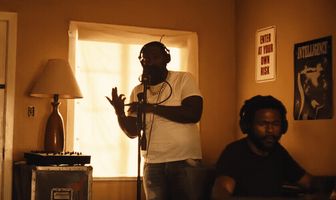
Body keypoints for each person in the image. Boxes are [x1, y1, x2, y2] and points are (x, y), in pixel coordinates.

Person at [106, 41, 205, 200]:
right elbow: (133, 132)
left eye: (155, 57)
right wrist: (120, 113)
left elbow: (193, 113)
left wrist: (152, 108)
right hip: (152, 164)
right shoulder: (139, 90)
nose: (150, 62)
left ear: (166, 59)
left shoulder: (183, 79)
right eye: (146, 59)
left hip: (184, 161)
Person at [212, 95, 312, 199]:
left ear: (284, 127)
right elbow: (220, 193)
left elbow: (307, 182)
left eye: (275, 124)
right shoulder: (234, 152)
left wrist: (328, 187)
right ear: (247, 125)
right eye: (262, 124)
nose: (270, 130)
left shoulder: (278, 152)